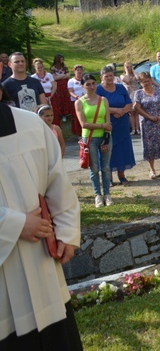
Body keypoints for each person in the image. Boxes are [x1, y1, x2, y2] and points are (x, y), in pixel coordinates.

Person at [0, 103, 83, 350]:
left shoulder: (31, 124)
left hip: (41, 262)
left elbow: (57, 179)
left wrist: (67, 232)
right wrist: (14, 224)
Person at [75, 73, 112, 208]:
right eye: (88, 84)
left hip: (104, 136)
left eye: (93, 83)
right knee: (94, 168)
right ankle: (97, 195)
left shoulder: (103, 100)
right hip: (89, 137)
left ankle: (107, 194)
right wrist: (102, 126)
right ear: (83, 86)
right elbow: (83, 123)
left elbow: (108, 121)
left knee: (106, 167)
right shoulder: (79, 102)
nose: (91, 87)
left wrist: (106, 138)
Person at [96, 65, 136, 185]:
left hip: (122, 123)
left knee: (122, 150)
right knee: (108, 150)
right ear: (101, 77)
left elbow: (129, 103)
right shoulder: (99, 89)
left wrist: (122, 111)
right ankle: (108, 178)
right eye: (106, 76)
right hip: (107, 124)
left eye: (111, 75)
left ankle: (122, 175)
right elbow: (98, 106)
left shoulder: (120, 87)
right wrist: (115, 111)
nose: (109, 78)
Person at [133, 71, 160, 179]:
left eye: (147, 81)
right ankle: (152, 170)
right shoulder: (138, 93)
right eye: (143, 82)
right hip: (147, 123)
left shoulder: (159, 90)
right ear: (140, 82)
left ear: (151, 80)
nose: (146, 83)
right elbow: (137, 107)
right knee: (149, 146)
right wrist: (149, 117)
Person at [50, 54, 73, 125]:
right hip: (58, 86)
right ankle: (61, 115)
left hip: (65, 85)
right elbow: (54, 78)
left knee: (66, 99)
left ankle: (67, 114)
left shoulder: (64, 67)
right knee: (59, 100)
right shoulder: (53, 68)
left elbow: (68, 75)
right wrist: (63, 76)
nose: (62, 60)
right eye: (61, 59)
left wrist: (60, 76)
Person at [120, 61, 141, 135]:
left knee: (137, 112)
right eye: (127, 67)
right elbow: (127, 81)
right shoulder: (123, 76)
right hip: (128, 94)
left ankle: (138, 129)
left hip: (136, 93)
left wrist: (133, 71)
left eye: (130, 66)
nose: (129, 68)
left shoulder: (135, 74)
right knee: (131, 113)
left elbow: (138, 78)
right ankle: (133, 129)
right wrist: (127, 72)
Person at [67, 65, 85, 136]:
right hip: (75, 101)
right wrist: (77, 97)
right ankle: (78, 133)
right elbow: (70, 92)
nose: (79, 71)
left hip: (85, 100)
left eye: (81, 70)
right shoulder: (71, 81)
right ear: (74, 71)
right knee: (76, 117)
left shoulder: (84, 79)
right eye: (78, 70)